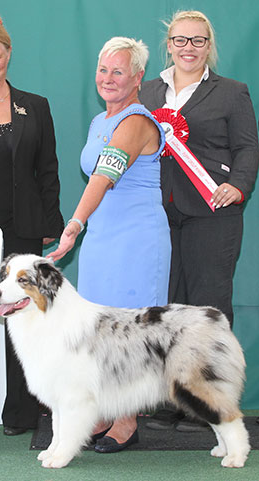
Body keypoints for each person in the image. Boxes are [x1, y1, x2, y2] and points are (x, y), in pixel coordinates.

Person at [48, 36, 171, 453]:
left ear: (138, 77)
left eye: (118, 71)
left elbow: (102, 176)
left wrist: (74, 224)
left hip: (136, 241)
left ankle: (128, 418)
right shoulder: (100, 121)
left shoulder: (137, 122)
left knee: (132, 331)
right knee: (100, 331)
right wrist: (85, 227)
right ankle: (103, 409)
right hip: (102, 239)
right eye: (103, 70)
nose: (108, 78)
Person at [139, 10, 259, 431]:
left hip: (213, 212)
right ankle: (172, 400)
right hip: (159, 214)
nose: (188, 48)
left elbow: (247, 148)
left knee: (208, 308)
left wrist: (239, 186)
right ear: (168, 44)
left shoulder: (232, 91)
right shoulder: (148, 90)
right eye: (180, 40)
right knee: (168, 307)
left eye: (198, 40)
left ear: (209, 46)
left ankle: (210, 405)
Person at [0, 12, 64, 435]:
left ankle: (22, 412)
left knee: (24, 320)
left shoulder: (34, 106)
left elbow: (49, 170)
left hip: (22, 228)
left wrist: (50, 224)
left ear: (9, 55)